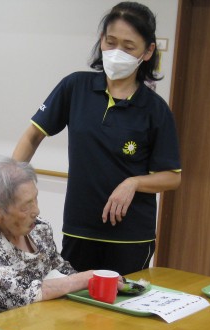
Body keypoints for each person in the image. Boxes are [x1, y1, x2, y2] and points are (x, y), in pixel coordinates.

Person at [12, 1, 181, 275]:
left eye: (128, 47)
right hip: (80, 228)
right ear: (101, 40)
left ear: (148, 51)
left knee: (121, 301)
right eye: (110, 42)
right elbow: (33, 135)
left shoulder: (155, 110)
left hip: (130, 237)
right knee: (72, 299)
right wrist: (10, 184)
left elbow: (172, 177)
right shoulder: (75, 87)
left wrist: (134, 182)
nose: (117, 52)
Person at [0, 155, 95, 317]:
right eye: (25, 207)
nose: (36, 211)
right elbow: (20, 295)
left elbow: (61, 269)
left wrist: (99, 281)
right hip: (6, 324)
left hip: (50, 315)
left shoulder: (40, 229)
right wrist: (82, 279)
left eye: (35, 199)